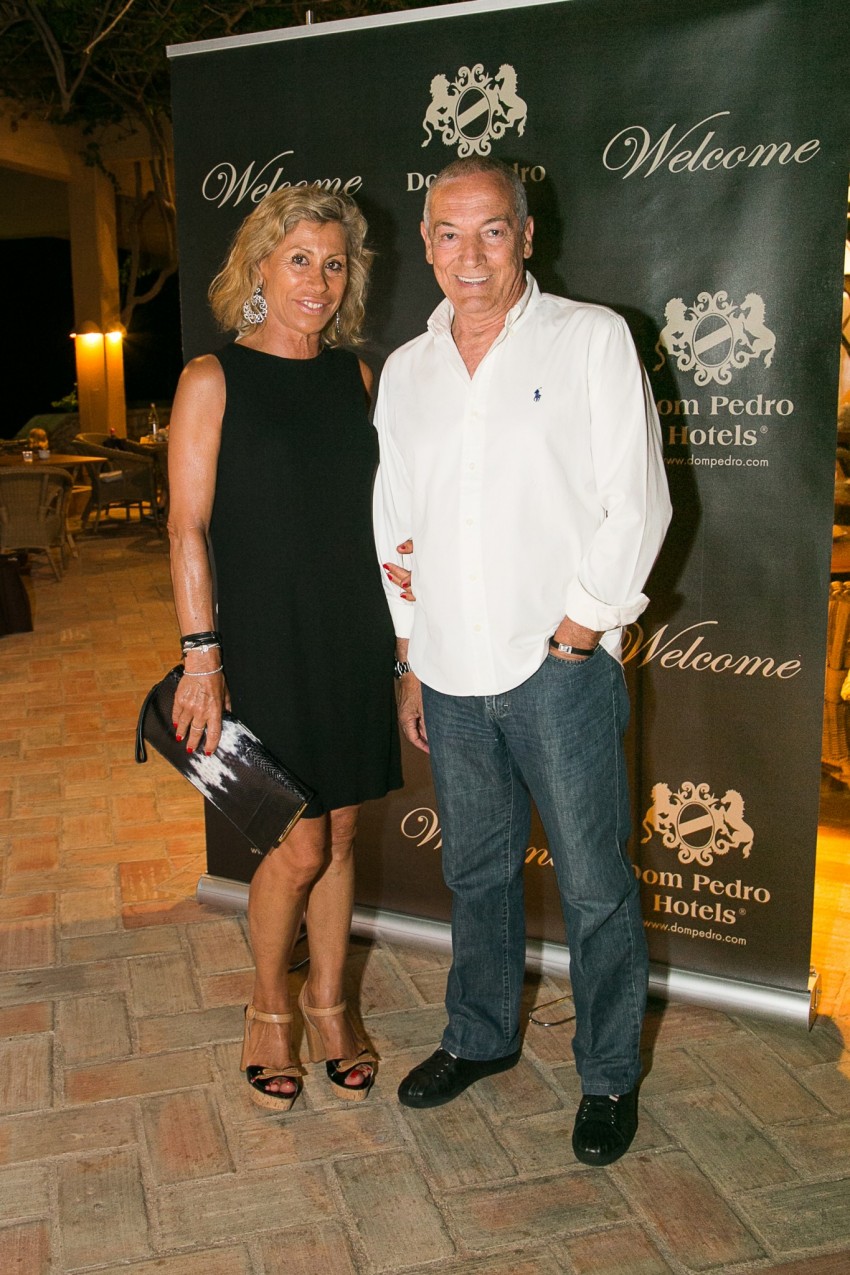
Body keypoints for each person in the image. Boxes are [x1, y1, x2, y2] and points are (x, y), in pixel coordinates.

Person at [374, 156, 671, 1165]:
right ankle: (481, 1035)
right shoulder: (408, 371)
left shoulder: (590, 338)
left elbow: (638, 501)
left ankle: (608, 1074)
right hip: (449, 671)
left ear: (526, 236)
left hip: (558, 670)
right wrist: (409, 654)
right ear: (426, 243)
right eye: (449, 232)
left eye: (492, 230)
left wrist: (577, 634)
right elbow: (396, 521)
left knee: (593, 885)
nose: (470, 254)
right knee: (477, 872)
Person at [168, 188, 402, 1112]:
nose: (318, 278)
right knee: (297, 841)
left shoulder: (356, 377)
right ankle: (269, 1008)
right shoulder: (212, 377)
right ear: (260, 266)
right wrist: (201, 657)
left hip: (351, 630)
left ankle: (329, 1003)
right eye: (299, 258)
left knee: (340, 832)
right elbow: (186, 528)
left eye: (334, 263)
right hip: (263, 639)